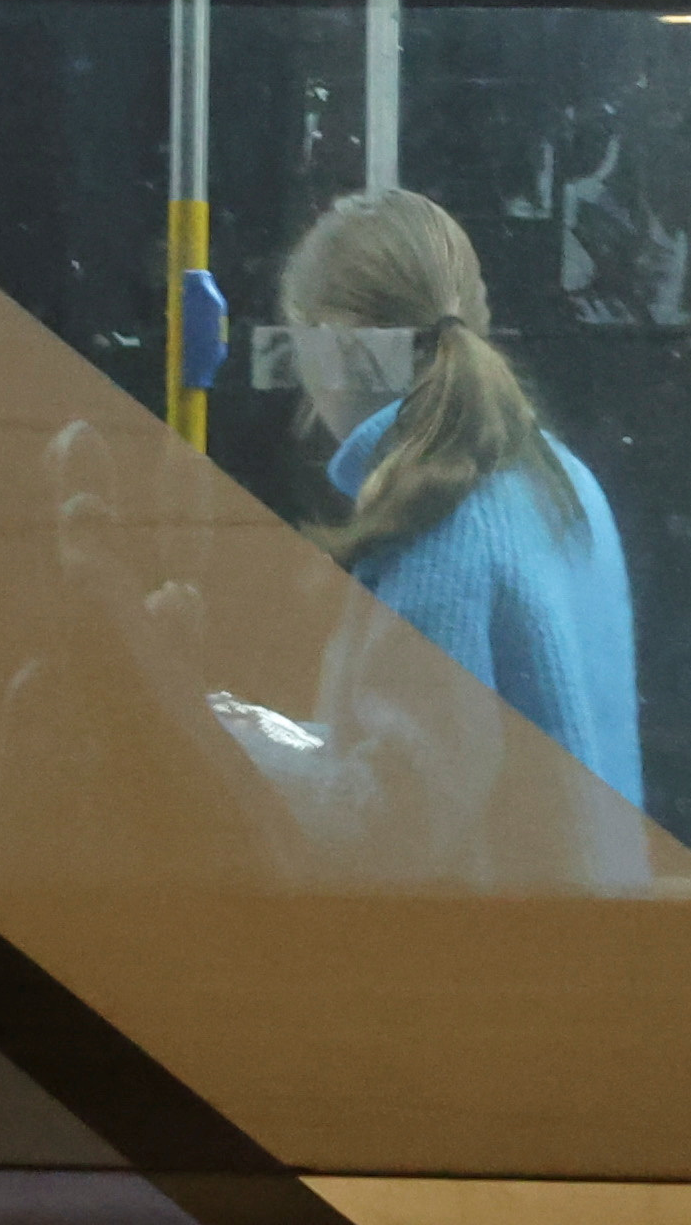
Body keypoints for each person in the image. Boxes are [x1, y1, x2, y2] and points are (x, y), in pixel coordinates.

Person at [274, 188, 646, 811]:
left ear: (334, 350)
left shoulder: (431, 523)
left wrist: (235, 752)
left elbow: (394, 823)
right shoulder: (563, 478)